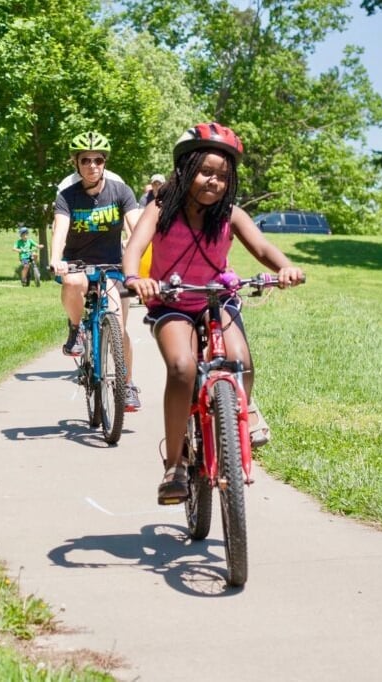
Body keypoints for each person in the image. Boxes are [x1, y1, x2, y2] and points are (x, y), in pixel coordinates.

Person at [121, 122, 305, 505]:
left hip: (217, 299)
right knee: (183, 369)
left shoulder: (231, 214)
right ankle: (174, 465)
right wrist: (135, 278)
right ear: (186, 170)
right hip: (172, 302)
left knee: (240, 360)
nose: (214, 182)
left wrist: (284, 267)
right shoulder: (160, 208)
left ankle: (241, 413)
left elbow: (263, 247)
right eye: (206, 172)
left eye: (223, 176)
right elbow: (135, 247)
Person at [50, 130, 143, 411]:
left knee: (118, 323)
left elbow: (136, 227)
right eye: (86, 160)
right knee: (74, 283)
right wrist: (56, 258)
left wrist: (140, 259)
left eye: (98, 160)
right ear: (76, 164)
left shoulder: (121, 191)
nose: (93, 165)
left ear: (105, 162)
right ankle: (77, 329)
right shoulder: (67, 196)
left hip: (112, 266)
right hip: (77, 264)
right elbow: (60, 229)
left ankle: (126, 385)